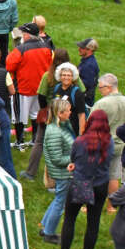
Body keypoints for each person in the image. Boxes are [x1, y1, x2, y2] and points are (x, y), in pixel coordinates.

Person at [55, 109, 114, 249]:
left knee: (69, 219)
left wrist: (76, 166)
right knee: (93, 222)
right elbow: (107, 162)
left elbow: (74, 157)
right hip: (100, 184)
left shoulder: (80, 141)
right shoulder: (109, 142)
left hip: (80, 183)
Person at [21, 48, 85, 180]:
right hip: (67, 117)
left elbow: (41, 95)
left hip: (50, 114)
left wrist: (45, 110)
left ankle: (31, 172)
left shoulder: (47, 76)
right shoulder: (73, 77)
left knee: (40, 143)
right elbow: (83, 90)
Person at [5, 22, 53, 150]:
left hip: (22, 88)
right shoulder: (47, 48)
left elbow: (9, 66)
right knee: (35, 114)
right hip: (39, 89)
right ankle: (35, 140)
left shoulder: (20, 49)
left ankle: (19, 142)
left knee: (18, 116)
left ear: (27, 35)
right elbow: (50, 65)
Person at [91, 73, 125, 212]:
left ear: (109, 88)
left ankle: (89, 205)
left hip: (102, 145)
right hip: (121, 145)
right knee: (114, 176)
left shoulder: (102, 104)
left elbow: (90, 124)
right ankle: (111, 206)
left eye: (101, 88)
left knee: (95, 175)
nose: (99, 90)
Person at [40, 99, 74, 244]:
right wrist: (74, 158)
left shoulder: (62, 125)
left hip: (63, 171)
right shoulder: (55, 132)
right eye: (68, 110)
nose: (70, 112)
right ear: (60, 114)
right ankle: (49, 233)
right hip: (62, 172)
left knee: (58, 198)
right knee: (61, 201)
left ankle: (45, 226)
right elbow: (58, 159)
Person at [51, 62, 87, 136]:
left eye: (69, 75)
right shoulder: (56, 88)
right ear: (59, 76)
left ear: (73, 77)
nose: (66, 78)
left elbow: (82, 115)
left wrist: (81, 134)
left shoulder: (77, 93)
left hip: (72, 130)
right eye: (64, 75)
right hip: (58, 128)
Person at [76, 38, 99, 105]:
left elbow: (86, 84)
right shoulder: (86, 61)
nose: (79, 49)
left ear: (89, 50)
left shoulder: (89, 65)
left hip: (84, 101)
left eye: (82, 48)